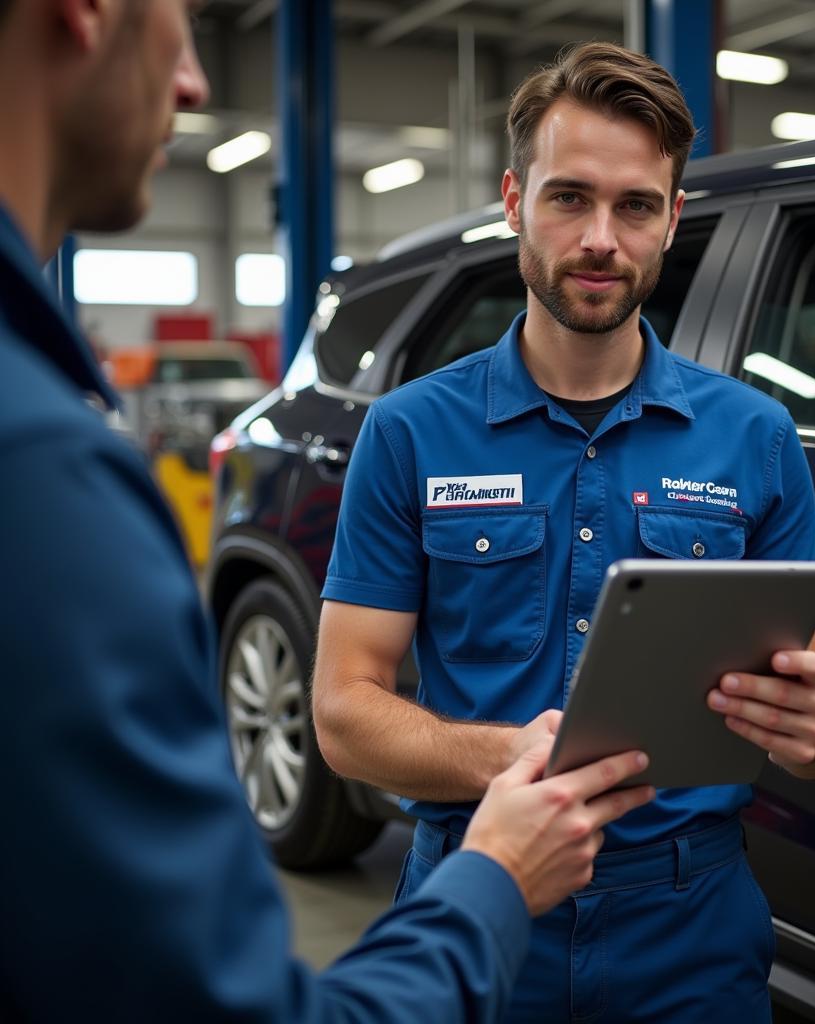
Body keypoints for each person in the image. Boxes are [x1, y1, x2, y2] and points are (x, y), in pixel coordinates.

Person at [0, 4, 656, 1021]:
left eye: (639, 207)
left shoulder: (752, 432)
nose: (194, 83)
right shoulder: (42, 461)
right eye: (175, 24)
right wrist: (489, 871)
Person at [314, 41, 815, 1023]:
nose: (601, 237)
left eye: (635, 206)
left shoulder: (755, 436)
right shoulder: (408, 433)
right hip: (482, 896)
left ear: (671, 221)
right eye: (568, 197)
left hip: (688, 926)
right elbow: (343, 713)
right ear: (513, 199)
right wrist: (507, 756)